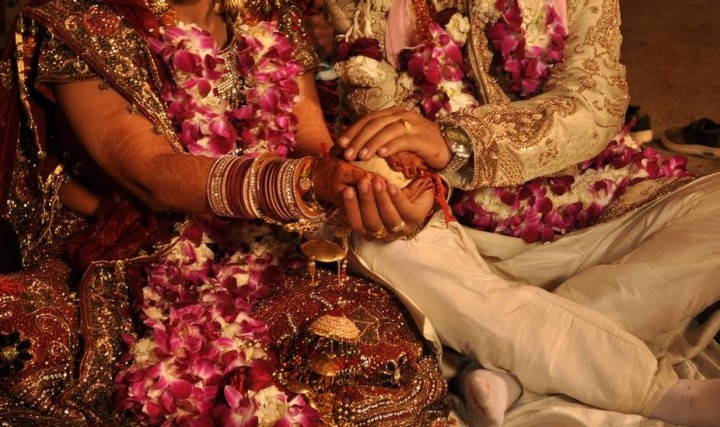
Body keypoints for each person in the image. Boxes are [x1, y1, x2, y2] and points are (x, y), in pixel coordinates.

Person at [0, 0, 448, 424]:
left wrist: (370, 177)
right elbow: (150, 174)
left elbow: (308, 141)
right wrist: (311, 181)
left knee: (360, 352)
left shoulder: (270, 13)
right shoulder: (82, 20)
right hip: (130, 249)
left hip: (263, 241)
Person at [320, 0, 720, 425]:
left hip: (609, 213)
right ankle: (659, 394)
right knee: (369, 223)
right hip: (467, 246)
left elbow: (595, 104)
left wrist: (458, 143)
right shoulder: (364, 8)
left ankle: (511, 370)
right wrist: (410, 187)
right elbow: (383, 138)